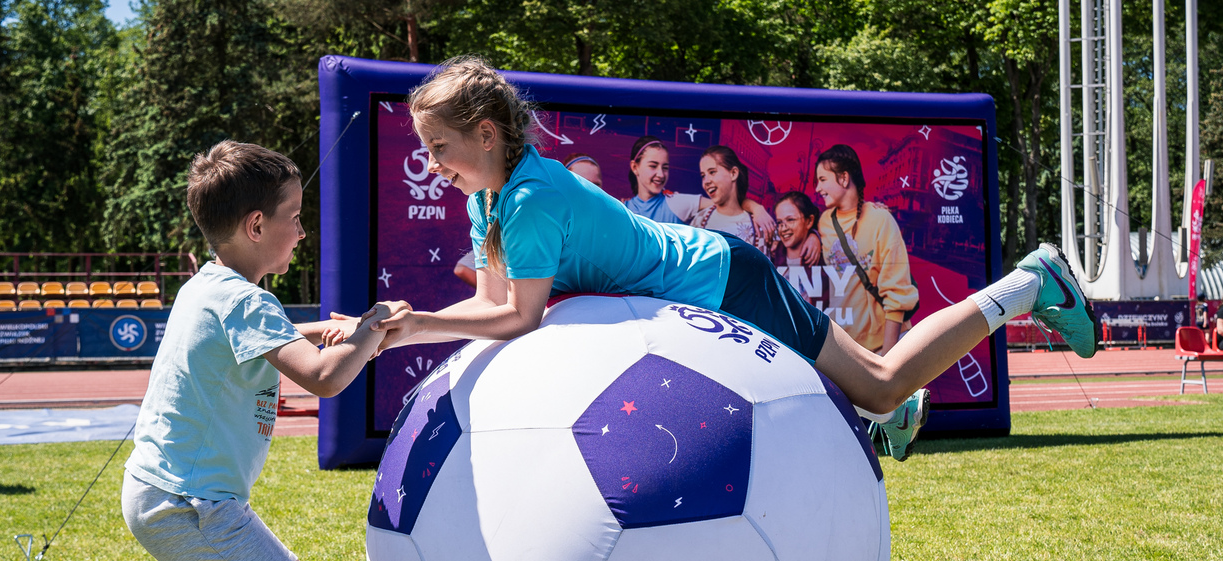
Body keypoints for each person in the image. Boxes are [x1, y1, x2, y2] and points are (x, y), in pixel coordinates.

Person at [365, 58, 1097, 462]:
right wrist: (394, 330)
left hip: (718, 277)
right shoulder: (486, 200)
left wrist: (413, 323)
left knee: (876, 380)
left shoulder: (525, 201)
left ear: (487, 133)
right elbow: (486, 305)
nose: (431, 165)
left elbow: (517, 317)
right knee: (855, 390)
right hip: (691, 293)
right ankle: (898, 414)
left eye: (439, 148)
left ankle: (1030, 282)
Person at [121, 141, 412, 561]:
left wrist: (334, 328)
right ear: (257, 226)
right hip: (187, 501)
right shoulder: (246, 302)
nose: (302, 229)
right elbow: (325, 378)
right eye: (294, 215)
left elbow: (275, 336)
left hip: (174, 493)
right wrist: (368, 332)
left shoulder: (216, 287)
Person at [814, 144, 919, 355]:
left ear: (843, 178)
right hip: (843, 349)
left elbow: (896, 291)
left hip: (881, 347)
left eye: (823, 180)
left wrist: (887, 361)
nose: (817, 188)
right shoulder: (824, 222)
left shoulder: (881, 219)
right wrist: (812, 237)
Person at [623, 136, 786, 250]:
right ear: (635, 167)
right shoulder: (623, 207)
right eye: (653, 166)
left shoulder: (677, 202)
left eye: (665, 167)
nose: (660, 174)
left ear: (733, 173)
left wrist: (756, 208)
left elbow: (726, 204)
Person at [690, 145, 774, 257]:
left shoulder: (757, 224)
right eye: (703, 176)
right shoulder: (700, 220)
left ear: (733, 173)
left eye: (712, 172)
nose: (706, 181)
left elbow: (764, 269)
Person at [771, 190, 820, 270]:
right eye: (779, 222)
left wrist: (815, 235)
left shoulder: (824, 254)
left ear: (809, 221)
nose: (783, 229)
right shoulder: (773, 254)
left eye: (790, 220)